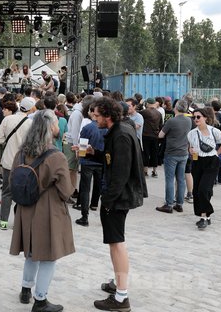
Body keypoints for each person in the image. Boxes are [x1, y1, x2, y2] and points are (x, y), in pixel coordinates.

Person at [10, 109, 74, 312]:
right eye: (55, 123)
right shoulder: (56, 156)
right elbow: (66, 191)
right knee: (47, 255)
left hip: (25, 208)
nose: (57, 127)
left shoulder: (21, 152)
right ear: (49, 128)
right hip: (48, 211)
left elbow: (12, 178)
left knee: (30, 252)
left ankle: (26, 289)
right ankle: (40, 300)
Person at [89, 98, 147, 312]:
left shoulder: (120, 134)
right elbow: (112, 160)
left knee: (117, 243)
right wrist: (93, 152)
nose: (94, 120)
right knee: (115, 242)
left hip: (119, 197)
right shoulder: (120, 130)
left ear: (108, 116)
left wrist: (108, 200)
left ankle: (122, 297)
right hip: (118, 195)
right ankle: (118, 284)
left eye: (96, 116)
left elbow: (121, 172)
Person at [0, 99, 33, 230]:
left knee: (6, 192)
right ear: (30, 108)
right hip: (23, 162)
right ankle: (19, 222)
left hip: (8, 161)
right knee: (22, 192)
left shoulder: (7, 119)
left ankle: (3, 221)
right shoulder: (31, 123)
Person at [187, 108, 221, 229]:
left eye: (198, 117)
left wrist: (217, 153)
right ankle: (206, 215)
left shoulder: (214, 131)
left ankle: (203, 217)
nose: (195, 119)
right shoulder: (191, 133)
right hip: (197, 162)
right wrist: (191, 151)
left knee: (204, 189)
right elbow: (191, 147)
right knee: (198, 191)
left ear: (205, 118)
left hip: (211, 161)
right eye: (194, 117)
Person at [156, 99, 192, 214]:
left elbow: (161, 135)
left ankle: (169, 204)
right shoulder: (189, 120)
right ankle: (179, 203)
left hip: (172, 153)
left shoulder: (172, 121)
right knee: (181, 179)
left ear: (176, 108)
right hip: (183, 153)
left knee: (170, 179)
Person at [140, 98, 162, 177]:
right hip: (155, 136)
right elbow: (160, 125)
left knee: (146, 153)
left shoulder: (145, 112)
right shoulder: (158, 113)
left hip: (146, 135)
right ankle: (154, 171)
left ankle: (145, 171)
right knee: (154, 153)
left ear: (148, 104)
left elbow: (137, 112)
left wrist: (140, 103)